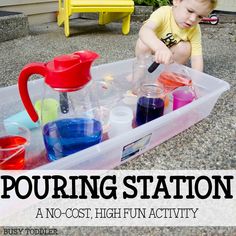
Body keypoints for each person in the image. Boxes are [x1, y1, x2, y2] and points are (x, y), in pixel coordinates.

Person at [135, 0, 217, 72]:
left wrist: (196, 82)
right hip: (151, 53)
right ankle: (139, 72)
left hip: (169, 58)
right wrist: (160, 48)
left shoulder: (194, 29)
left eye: (200, 16)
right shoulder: (164, 13)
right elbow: (145, 30)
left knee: (185, 48)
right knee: (143, 43)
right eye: (190, 10)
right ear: (177, 1)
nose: (193, 19)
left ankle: (167, 75)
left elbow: (196, 57)